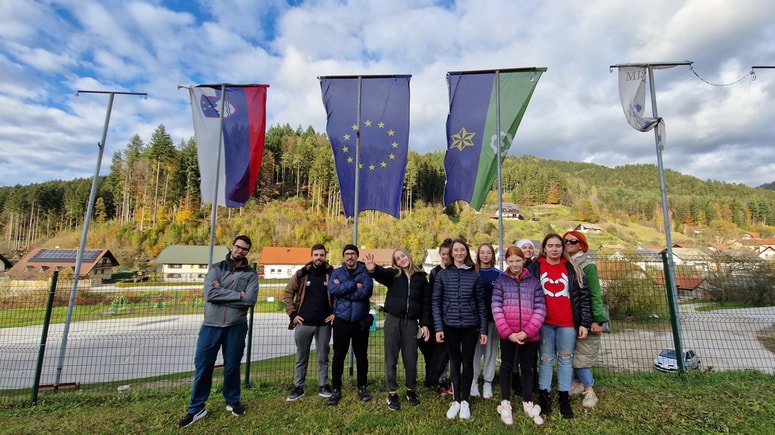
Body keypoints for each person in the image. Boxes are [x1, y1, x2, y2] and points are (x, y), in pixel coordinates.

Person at [178, 235, 259, 428]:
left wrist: (222, 292)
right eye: (238, 247)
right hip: (211, 325)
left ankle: (233, 400)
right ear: (232, 246)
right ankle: (197, 407)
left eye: (245, 249)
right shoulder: (216, 268)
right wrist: (238, 295)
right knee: (203, 365)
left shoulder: (250, 274)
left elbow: (250, 300)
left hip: (236, 326)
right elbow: (210, 294)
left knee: (232, 366)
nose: (240, 251)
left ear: (248, 252)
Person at [527, 233, 591, 420]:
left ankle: (564, 398)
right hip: (544, 323)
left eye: (558, 245)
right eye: (550, 245)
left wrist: (584, 323)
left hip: (567, 324)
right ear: (544, 248)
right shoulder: (534, 268)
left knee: (565, 360)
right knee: (546, 360)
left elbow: (583, 297)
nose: (554, 249)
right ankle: (544, 396)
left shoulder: (572, 268)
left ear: (562, 248)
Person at [365, 248, 431, 411]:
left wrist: (425, 324)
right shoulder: (393, 275)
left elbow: (426, 304)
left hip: (411, 324)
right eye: (398, 258)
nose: (402, 259)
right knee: (391, 358)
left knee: (411, 359)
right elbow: (381, 274)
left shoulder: (421, 278)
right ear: (395, 263)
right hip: (393, 321)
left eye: (403, 256)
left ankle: (410, 390)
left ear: (408, 256)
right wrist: (373, 269)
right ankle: (392, 393)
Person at [432, 238, 487, 420]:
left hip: (471, 327)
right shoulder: (442, 275)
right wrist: (439, 328)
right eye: (455, 250)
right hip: (450, 327)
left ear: (467, 252)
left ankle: (465, 401)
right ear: (451, 253)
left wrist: (483, 329)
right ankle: (456, 400)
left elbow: (481, 304)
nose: (459, 253)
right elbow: (436, 302)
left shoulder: (475, 275)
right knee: (454, 363)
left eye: (462, 250)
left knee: (467, 363)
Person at [492, 246, 546, 426]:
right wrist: (509, 333)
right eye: (511, 261)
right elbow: (496, 308)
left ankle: (527, 400)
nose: (515, 264)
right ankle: (505, 400)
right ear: (506, 262)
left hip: (529, 335)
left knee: (528, 368)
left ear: (524, 260)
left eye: (518, 260)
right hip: (508, 335)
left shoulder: (534, 283)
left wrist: (527, 332)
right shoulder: (501, 282)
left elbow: (540, 308)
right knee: (507, 367)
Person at [283, 243, 335, 402]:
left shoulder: (332, 273)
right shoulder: (301, 274)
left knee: (323, 357)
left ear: (325, 256)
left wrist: (336, 313)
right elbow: (288, 293)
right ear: (311, 256)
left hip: (324, 324)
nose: (319, 258)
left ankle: (323, 385)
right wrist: (293, 314)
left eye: (321, 255)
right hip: (303, 323)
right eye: (316, 255)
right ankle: (299, 387)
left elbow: (341, 295)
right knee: (301, 357)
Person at [563, 231, 608, 409]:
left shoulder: (588, 266)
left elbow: (595, 294)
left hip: (585, 317)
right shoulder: (565, 263)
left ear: (581, 245)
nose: (568, 243)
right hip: (569, 317)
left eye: (573, 241)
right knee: (572, 353)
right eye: (565, 241)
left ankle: (590, 390)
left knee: (581, 357)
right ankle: (576, 383)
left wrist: (597, 320)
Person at [326, 244, 374, 406]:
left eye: (353, 253)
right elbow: (333, 290)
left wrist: (344, 290)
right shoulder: (336, 272)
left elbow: (366, 292)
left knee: (361, 356)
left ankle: (362, 387)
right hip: (341, 320)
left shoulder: (365, 272)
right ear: (343, 256)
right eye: (347, 254)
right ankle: (336, 389)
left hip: (360, 321)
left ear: (357, 256)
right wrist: (354, 286)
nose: (350, 256)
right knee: (338, 356)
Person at [420, 239, 452, 394]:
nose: (445, 257)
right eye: (443, 254)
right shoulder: (434, 272)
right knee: (439, 352)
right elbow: (432, 297)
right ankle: (440, 380)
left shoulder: (457, 270)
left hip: (453, 317)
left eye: (448, 254)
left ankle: (454, 380)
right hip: (438, 318)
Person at [471, 243, 500, 399]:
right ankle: (474, 381)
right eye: (482, 252)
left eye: (488, 252)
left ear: (492, 255)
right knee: (475, 352)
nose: (485, 255)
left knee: (490, 351)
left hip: (492, 320)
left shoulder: (499, 274)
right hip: (475, 321)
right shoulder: (473, 273)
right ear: (478, 255)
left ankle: (488, 382)